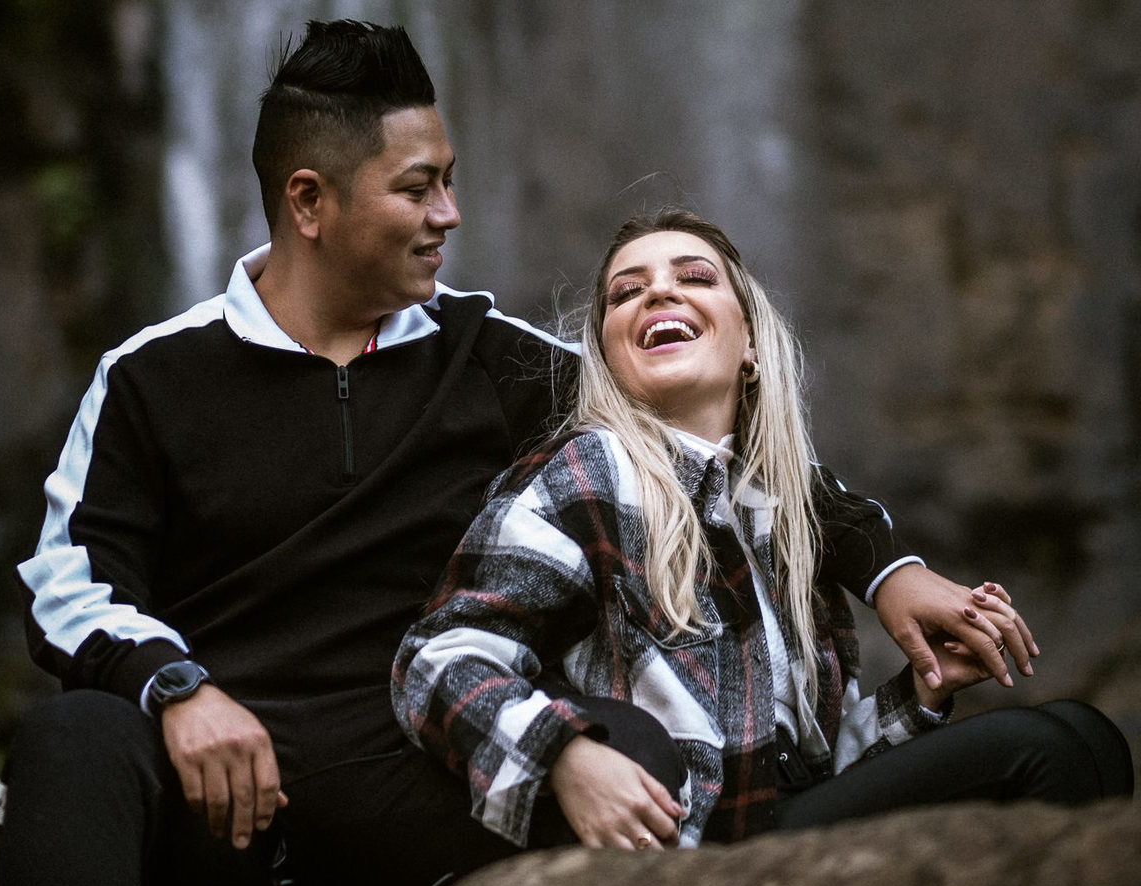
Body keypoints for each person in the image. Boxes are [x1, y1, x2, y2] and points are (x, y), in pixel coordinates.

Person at [0, 25, 1040, 886]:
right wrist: (176, 691)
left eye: (448, 179)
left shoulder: (491, 353)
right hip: (224, 812)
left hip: (434, 800)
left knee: (632, 745)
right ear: (309, 202)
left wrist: (888, 566)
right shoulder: (151, 378)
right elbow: (67, 582)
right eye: (420, 187)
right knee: (72, 738)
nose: (450, 213)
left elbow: (712, 449)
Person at [393, 210, 1131, 852]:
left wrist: (923, 694)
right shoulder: (587, 473)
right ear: (608, 362)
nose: (659, 291)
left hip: (783, 828)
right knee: (1044, 749)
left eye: (695, 277)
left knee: (1090, 737)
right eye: (627, 291)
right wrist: (563, 755)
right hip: (698, 847)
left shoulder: (774, 512)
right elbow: (438, 658)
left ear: (750, 341)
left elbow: (814, 771)